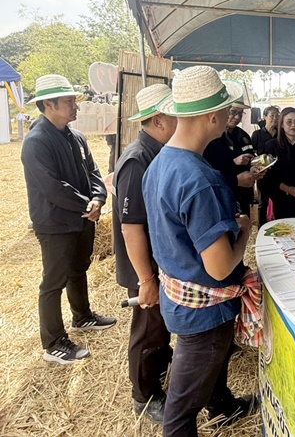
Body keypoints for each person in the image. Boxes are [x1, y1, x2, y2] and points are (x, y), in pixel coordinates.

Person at [142, 66, 260, 436]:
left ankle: (222, 406)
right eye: (227, 109)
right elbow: (221, 266)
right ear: (212, 116)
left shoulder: (160, 164)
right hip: (204, 314)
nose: (230, 116)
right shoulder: (200, 179)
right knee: (180, 412)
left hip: (179, 298)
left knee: (203, 377)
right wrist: (245, 230)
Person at [21, 74, 116, 365]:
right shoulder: (36, 142)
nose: (76, 106)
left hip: (81, 216)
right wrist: (87, 205)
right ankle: (53, 343)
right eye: (68, 101)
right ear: (48, 105)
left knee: (78, 268)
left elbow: (94, 172)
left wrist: (98, 198)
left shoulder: (76, 137)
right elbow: (52, 187)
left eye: (75, 100)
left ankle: (82, 316)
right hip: (55, 222)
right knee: (53, 281)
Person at [112, 83, 177, 423]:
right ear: (159, 120)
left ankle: (158, 371)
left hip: (157, 262)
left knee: (160, 327)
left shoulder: (159, 152)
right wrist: (146, 280)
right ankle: (145, 396)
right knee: (148, 331)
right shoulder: (138, 160)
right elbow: (131, 228)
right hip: (145, 267)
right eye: (176, 114)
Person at [204, 83, 265, 217]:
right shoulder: (211, 139)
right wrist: (234, 162)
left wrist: (254, 169)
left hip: (244, 194)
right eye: (233, 112)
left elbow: (251, 160)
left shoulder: (244, 136)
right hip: (223, 195)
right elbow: (209, 173)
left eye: (240, 113)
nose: (236, 117)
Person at [251, 106, 279, 225]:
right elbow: (252, 154)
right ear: (264, 117)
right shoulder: (257, 134)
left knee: (278, 202)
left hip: (278, 175)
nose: (275, 118)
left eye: (277, 116)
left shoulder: (280, 134)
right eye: (272, 115)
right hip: (263, 175)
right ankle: (261, 228)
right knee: (263, 203)